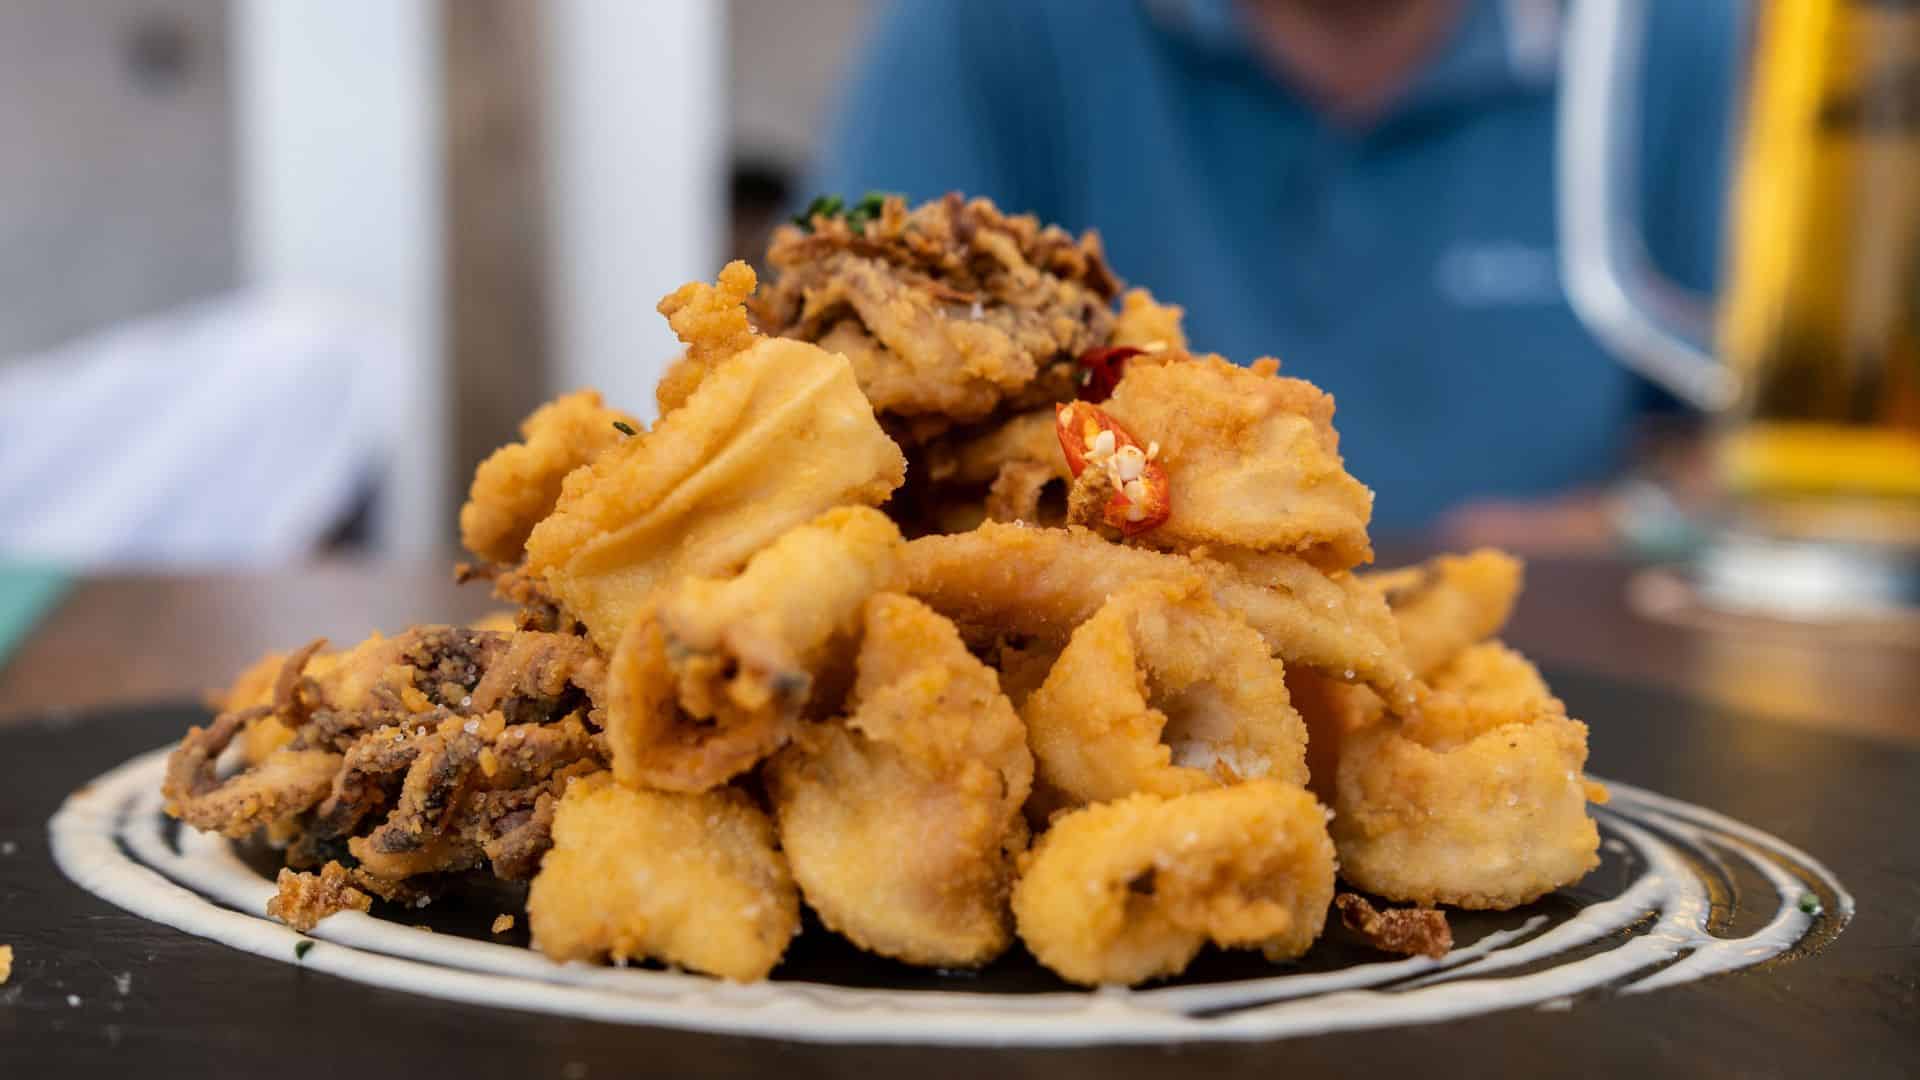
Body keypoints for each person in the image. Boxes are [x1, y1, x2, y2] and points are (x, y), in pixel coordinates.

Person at [804, 0, 1739, 537]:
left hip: (1600, 698)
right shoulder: (989, 27)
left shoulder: (1682, 42)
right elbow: (833, 386)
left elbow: (1774, 454)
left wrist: (1645, 521)